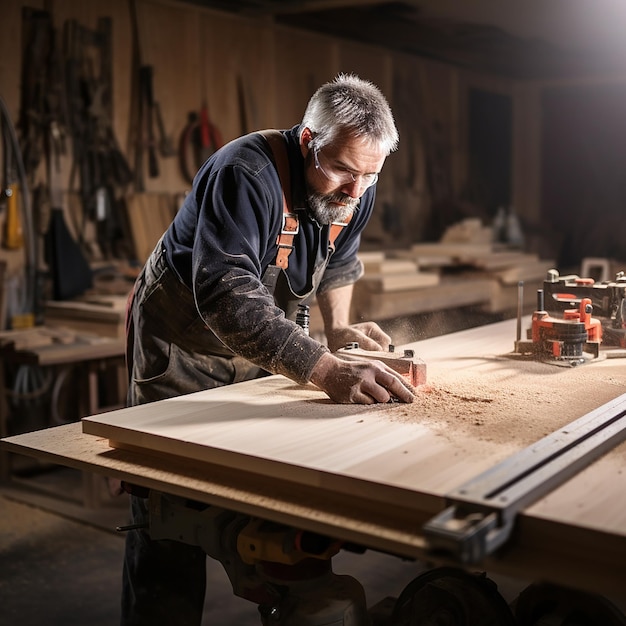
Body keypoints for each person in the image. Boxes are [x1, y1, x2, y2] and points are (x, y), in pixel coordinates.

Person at [122, 73, 414, 625]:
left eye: (369, 176)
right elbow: (226, 296)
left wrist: (338, 331)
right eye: (343, 171)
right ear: (308, 141)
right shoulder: (246, 173)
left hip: (257, 339)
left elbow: (339, 258)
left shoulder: (357, 185)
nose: (355, 190)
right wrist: (326, 372)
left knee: (267, 495)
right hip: (184, 341)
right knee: (171, 510)